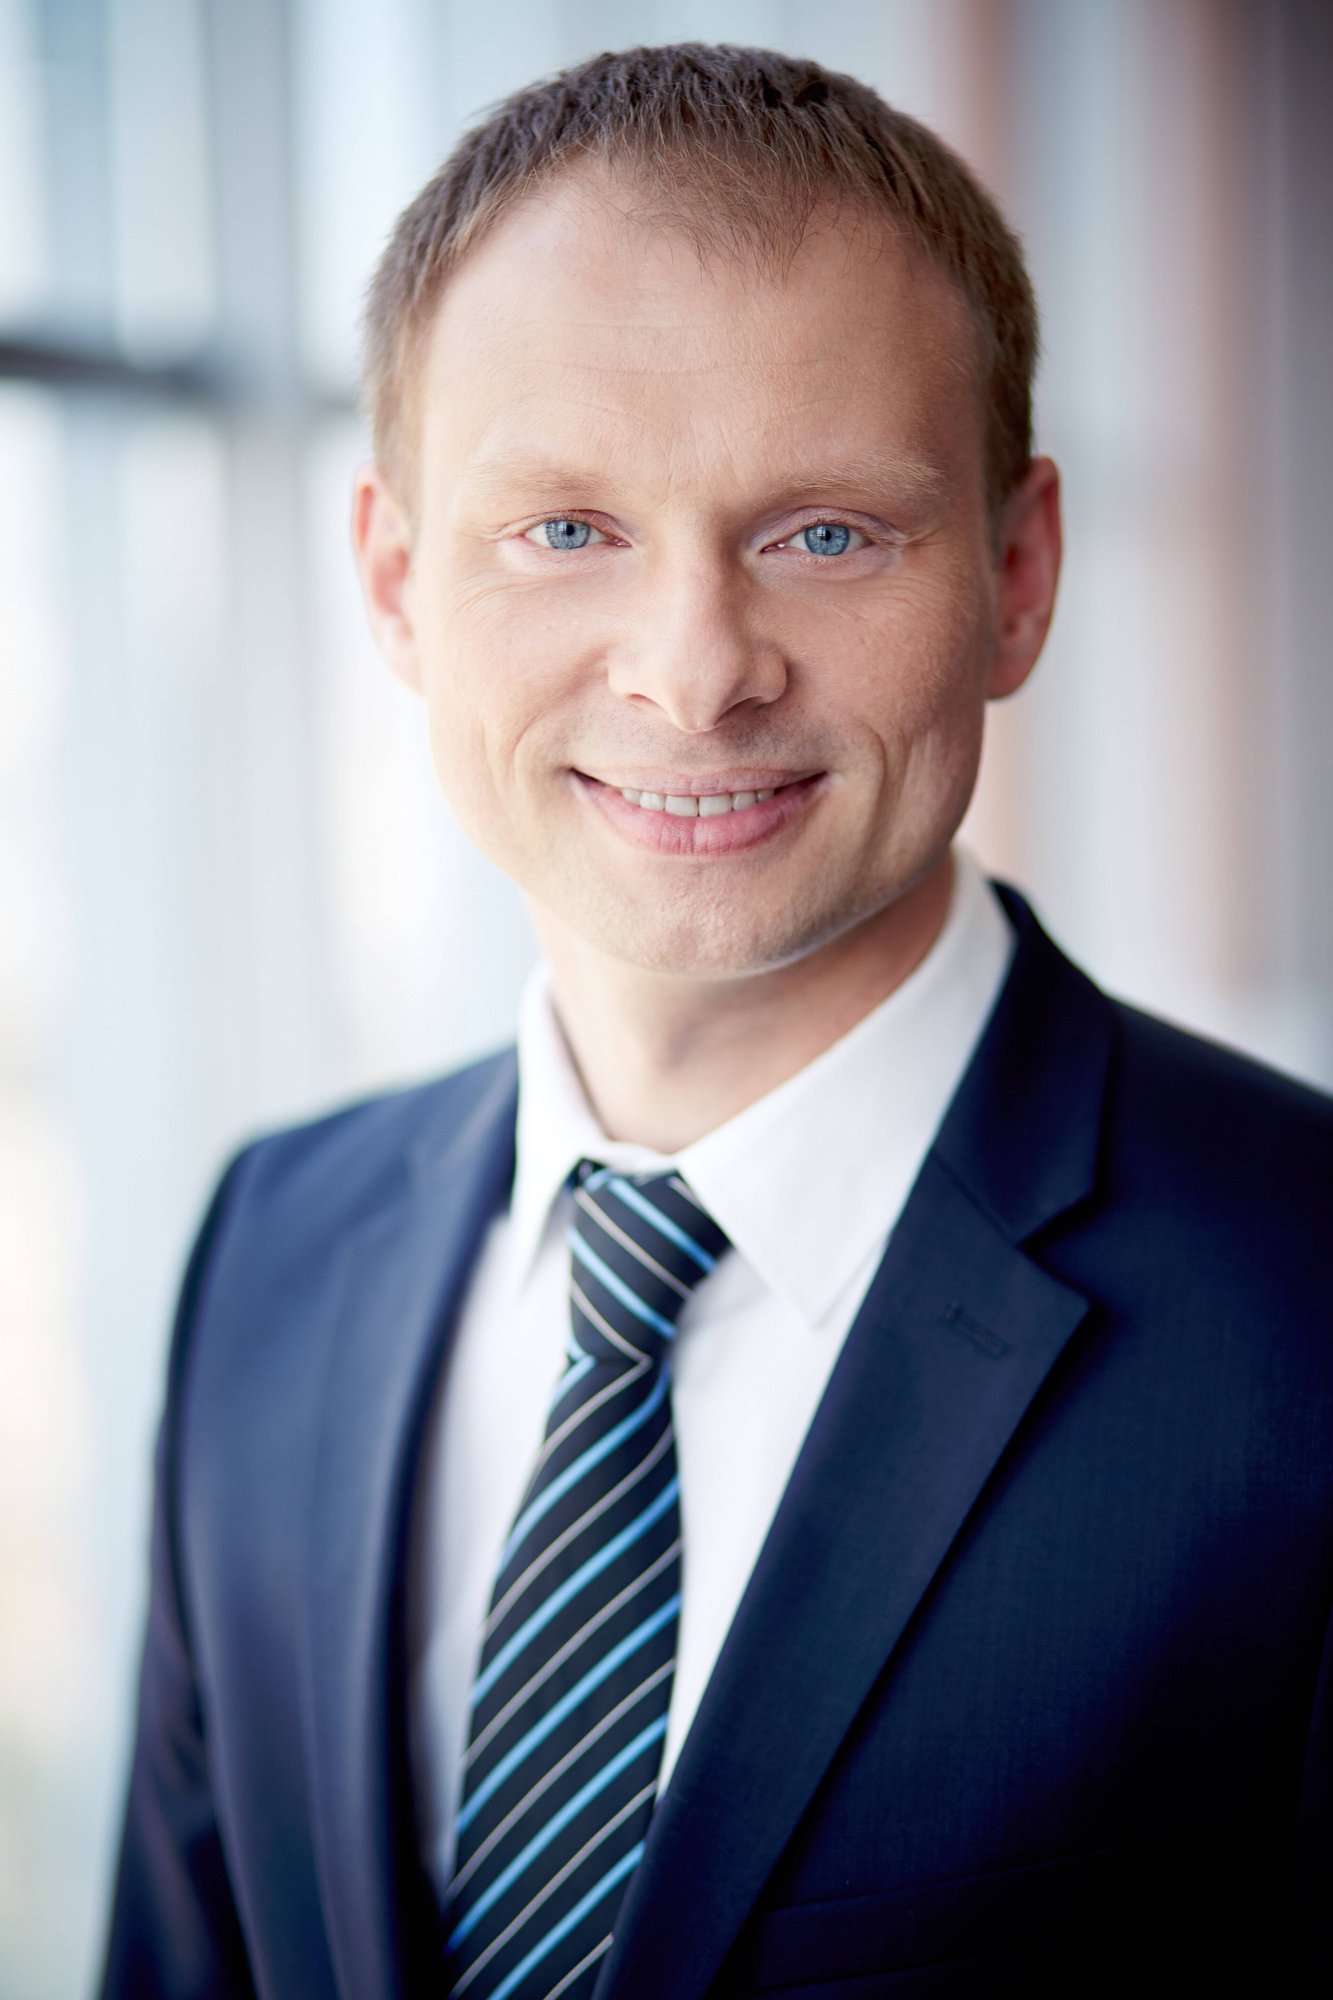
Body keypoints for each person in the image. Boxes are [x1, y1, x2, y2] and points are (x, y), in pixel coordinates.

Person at [99, 42, 1331, 2000]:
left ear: (1016, 578)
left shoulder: (1307, 1306)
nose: (692, 673)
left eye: (825, 531)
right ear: (400, 585)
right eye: (564, 530)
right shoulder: (270, 1249)